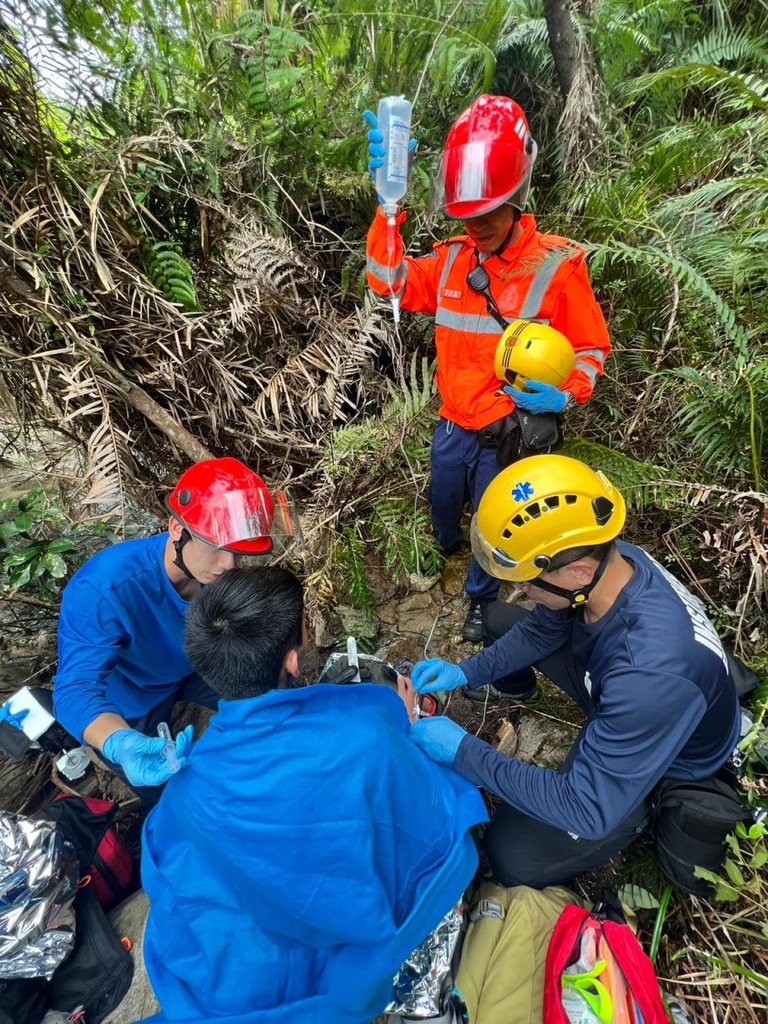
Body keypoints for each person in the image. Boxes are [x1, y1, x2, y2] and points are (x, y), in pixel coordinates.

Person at [140, 567, 486, 1024]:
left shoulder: (184, 781)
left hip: (243, 968)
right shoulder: (365, 734)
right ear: (292, 660)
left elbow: (171, 868)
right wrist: (404, 725)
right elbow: (423, 823)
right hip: (353, 946)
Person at [408, 454, 742, 889]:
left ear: (579, 570)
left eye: (527, 580)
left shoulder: (650, 675)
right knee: (498, 620)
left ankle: (639, 817)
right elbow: (540, 631)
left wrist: (464, 752)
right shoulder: (615, 561)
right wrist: (465, 672)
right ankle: (526, 694)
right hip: (617, 689)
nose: (521, 590)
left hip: (661, 760)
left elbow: (584, 807)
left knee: (511, 857)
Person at [365, 94, 611, 643]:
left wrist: (565, 396)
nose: (475, 226)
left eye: (487, 213)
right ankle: (442, 545)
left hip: (507, 431)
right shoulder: (453, 258)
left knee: (491, 522)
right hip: (452, 423)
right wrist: (387, 208)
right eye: (465, 215)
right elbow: (388, 281)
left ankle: (479, 599)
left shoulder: (556, 267)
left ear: (517, 196)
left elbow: (592, 348)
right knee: (445, 502)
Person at [53, 456, 289, 806]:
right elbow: (74, 690)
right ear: (176, 529)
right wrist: (119, 742)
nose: (229, 566)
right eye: (216, 547)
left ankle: (280, 771)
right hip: (132, 698)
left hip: (193, 668)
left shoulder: (220, 573)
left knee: (273, 699)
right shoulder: (104, 589)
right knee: (164, 791)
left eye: (238, 553)